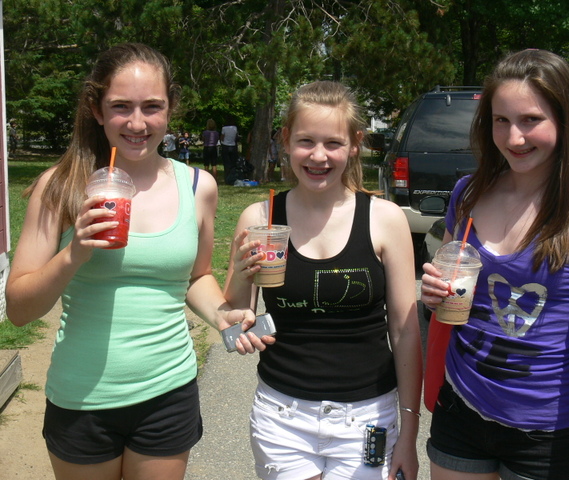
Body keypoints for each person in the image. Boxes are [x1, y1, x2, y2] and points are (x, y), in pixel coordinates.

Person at [5, 42, 253, 480]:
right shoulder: (60, 186)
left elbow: (196, 277)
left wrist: (223, 316)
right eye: (121, 106)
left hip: (168, 391)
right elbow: (19, 310)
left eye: (152, 107)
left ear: (170, 109)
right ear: (97, 110)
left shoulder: (198, 186)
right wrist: (74, 253)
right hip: (82, 398)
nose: (138, 123)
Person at [420, 49, 569, 480]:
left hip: (545, 433)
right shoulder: (468, 194)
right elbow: (452, 289)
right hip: (461, 407)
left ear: (565, 121)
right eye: (502, 120)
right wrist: (435, 293)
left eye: (531, 120)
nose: (514, 138)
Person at [224, 81, 423, 480]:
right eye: (306, 141)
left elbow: (404, 331)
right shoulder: (259, 219)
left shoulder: (385, 218)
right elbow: (233, 315)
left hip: (368, 417)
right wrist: (238, 317)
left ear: (355, 144)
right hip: (282, 416)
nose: (318, 156)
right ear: (285, 140)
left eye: (333, 143)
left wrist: (409, 432)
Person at [220, 117, 239, 184]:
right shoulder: (235, 128)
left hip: (225, 145)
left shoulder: (224, 128)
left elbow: (222, 137)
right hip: (233, 145)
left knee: (226, 163)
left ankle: (227, 178)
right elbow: (236, 136)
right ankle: (232, 177)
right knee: (233, 163)